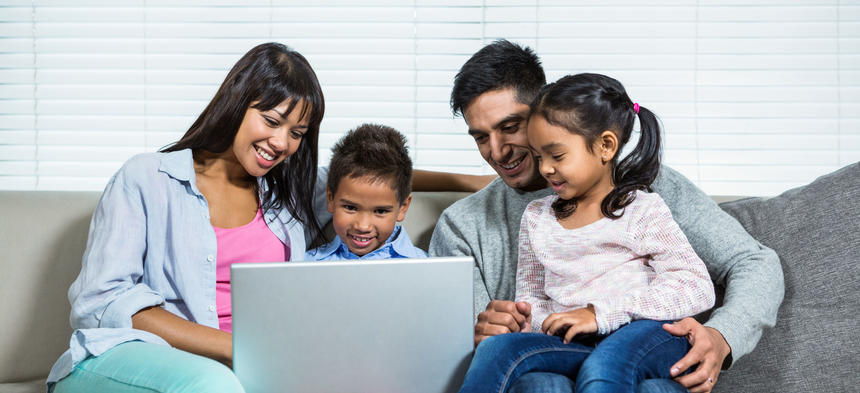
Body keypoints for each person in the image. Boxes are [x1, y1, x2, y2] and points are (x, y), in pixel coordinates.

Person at [46, 42, 484, 393]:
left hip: (257, 365)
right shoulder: (147, 178)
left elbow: (370, 178)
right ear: (237, 104)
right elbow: (101, 302)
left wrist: (477, 182)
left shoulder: (288, 190)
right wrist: (238, 349)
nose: (281, 143)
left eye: (297, 133)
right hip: (136, 356)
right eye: (271, 121)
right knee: (212, 384)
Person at [429, 40, 784, 393]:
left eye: (510, 127)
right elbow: (448, 348)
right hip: (549, 359)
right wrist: (479, 331)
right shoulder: (464, 226)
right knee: (541, 384)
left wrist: (723, 337)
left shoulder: (644, 188)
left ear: (544, 110)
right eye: (480, 137)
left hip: (638, 354)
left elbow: (753, 262)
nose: (496, 151)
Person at [458, 73, 716, 393]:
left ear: (605, 146)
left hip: (643, 335)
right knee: (499, 350)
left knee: (607, 363)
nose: (546, 169)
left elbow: (696, 287)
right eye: (540, 157)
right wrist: (533, 322)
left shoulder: (642, 210)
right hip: (575, 344)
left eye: (557, 155)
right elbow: (532, 297)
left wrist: (600, 314)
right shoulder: (537, 218)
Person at [305, 123, 427, 261]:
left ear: (402, 208)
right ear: (330, 198)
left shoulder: (425, 266)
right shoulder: (305, 263)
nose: (363, 226)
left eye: (380, 211)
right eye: (350, 208)